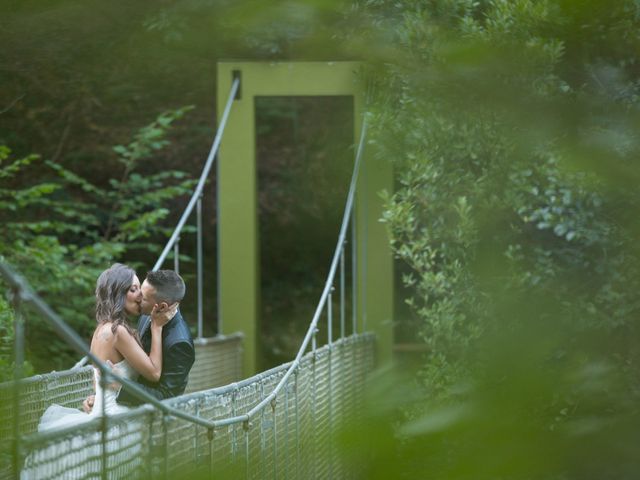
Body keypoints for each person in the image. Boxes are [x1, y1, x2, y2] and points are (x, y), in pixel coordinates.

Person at [36, 263, 176, 432]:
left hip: (102, 413)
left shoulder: (101, 329)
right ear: (117, 293)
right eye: (133, 289)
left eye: (140, 288)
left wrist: (97, 396)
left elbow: (98, 382)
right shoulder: (118, 332)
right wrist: (157, 327)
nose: (141, 295)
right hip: (115, 421)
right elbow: (154, 373)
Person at [83, 268, 195, 411]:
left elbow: (168, 396)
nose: (139, 298)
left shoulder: (179, 342)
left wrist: (121, 387)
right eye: (135, 290)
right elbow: (101, 371)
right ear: (119, 294)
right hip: (119, 411)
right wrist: (99, 395)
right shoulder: (140, 318)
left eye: (144, 297)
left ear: (162, 307)